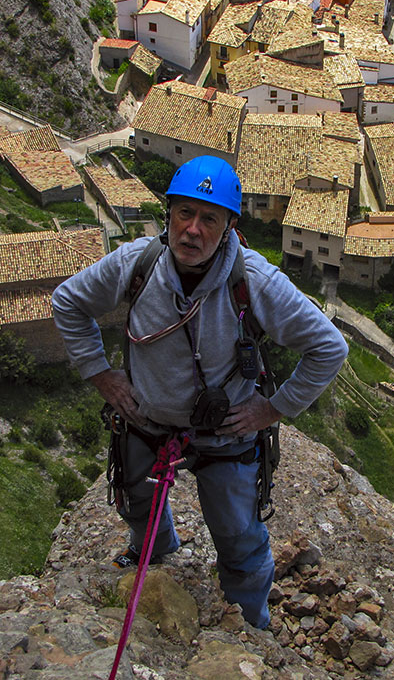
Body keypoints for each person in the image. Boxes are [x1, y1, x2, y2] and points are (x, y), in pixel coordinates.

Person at [51, 155, 348, 629]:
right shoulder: (138, 265)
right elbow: (68, 302)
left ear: (229, 226)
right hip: (144, 422)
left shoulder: (254, 282)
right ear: (168, 214)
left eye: (208, 218)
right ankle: (155, 551)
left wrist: (272, 409)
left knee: (238, 537)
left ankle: (251, 621)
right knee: (137, 503)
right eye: (183, 213)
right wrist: (101, 375)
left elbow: (329, 347)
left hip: (224, 435)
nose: (192, 230)